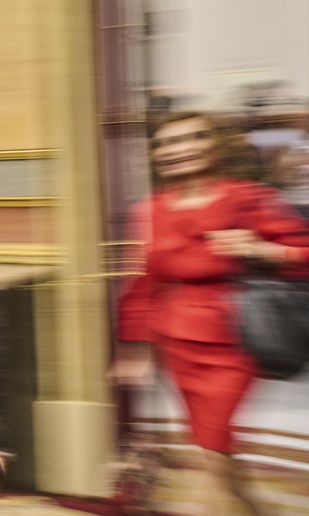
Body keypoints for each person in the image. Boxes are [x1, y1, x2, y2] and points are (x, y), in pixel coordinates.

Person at [114, 111, 309, 515]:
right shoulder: (149, 210)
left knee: (212, 453)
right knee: (213, 451)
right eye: (166, 143)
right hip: (176, 343)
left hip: (233, 342)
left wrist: (264, 250)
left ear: (216, 144)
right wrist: (133, 348)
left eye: (193, 138)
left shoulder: (248, 198)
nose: (178, 150)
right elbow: (143, 282)